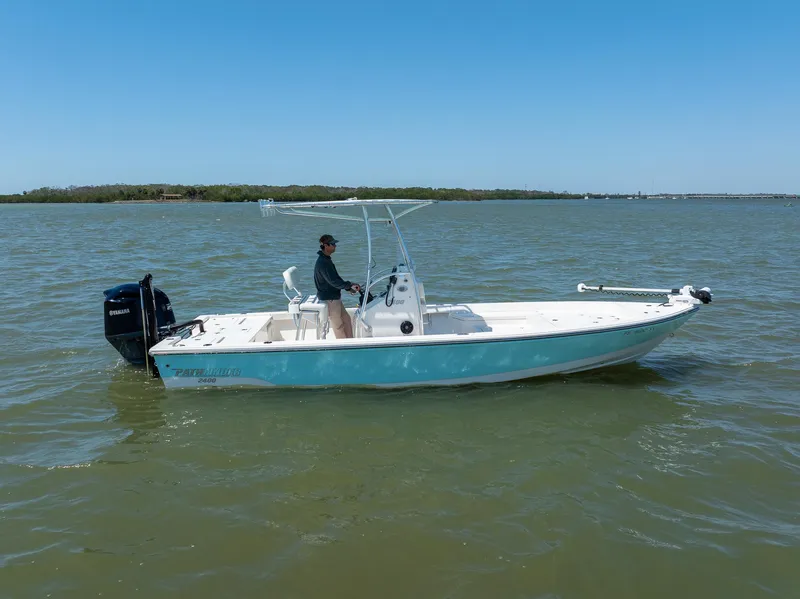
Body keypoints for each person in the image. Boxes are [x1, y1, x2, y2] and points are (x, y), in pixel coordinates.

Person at [314, 234, 361, 338]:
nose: (335, 246)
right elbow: (334, 282)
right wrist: (349, 285)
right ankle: (344, 350)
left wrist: (349, 286)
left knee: (347, 320)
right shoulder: (323, 263)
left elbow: (336, 279)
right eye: (333, 244)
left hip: (335, 297)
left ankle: (350, 344)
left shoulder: (326, 260)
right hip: (330, 299)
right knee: (338, 326)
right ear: (326, 246)